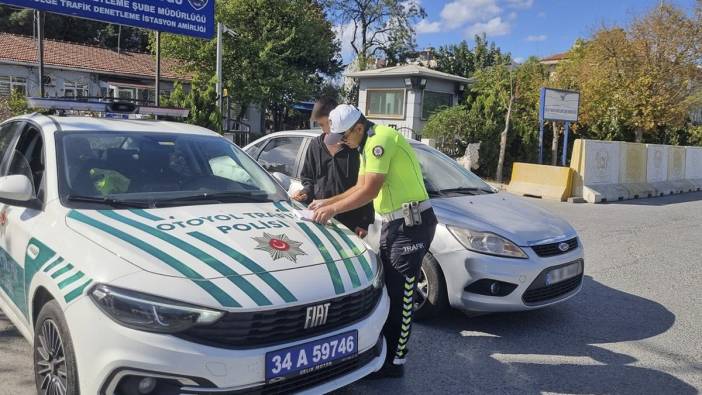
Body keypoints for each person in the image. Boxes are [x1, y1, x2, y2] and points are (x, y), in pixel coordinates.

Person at [309, 105, 437, 378]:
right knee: (388, 290)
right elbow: (358, 186)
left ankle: (395, 362)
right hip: (395, 223)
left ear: (358, 127)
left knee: (402, 293)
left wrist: (332, 211)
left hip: (411, 224)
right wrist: (326, 201)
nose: (343, 142)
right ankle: (386, 350)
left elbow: (370, 190)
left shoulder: (380, 140)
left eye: (345, 136)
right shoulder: (366, 145)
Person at [292, 97, 374, 237]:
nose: (323, 129)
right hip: (320, 219)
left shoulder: (356, 147)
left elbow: (365, 188)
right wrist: (305, 192)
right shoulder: (315, 146)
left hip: (350, 223)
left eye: (324, 124)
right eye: (320, 125)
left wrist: (364, 222)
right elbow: (309, 179)